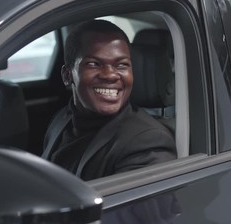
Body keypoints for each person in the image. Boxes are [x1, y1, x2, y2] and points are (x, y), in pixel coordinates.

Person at [42, 19, 177, 181]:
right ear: (67, 75)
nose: (110, 75)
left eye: (121, 65)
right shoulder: (61, 120)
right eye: (94, 64)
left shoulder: (148, 143)